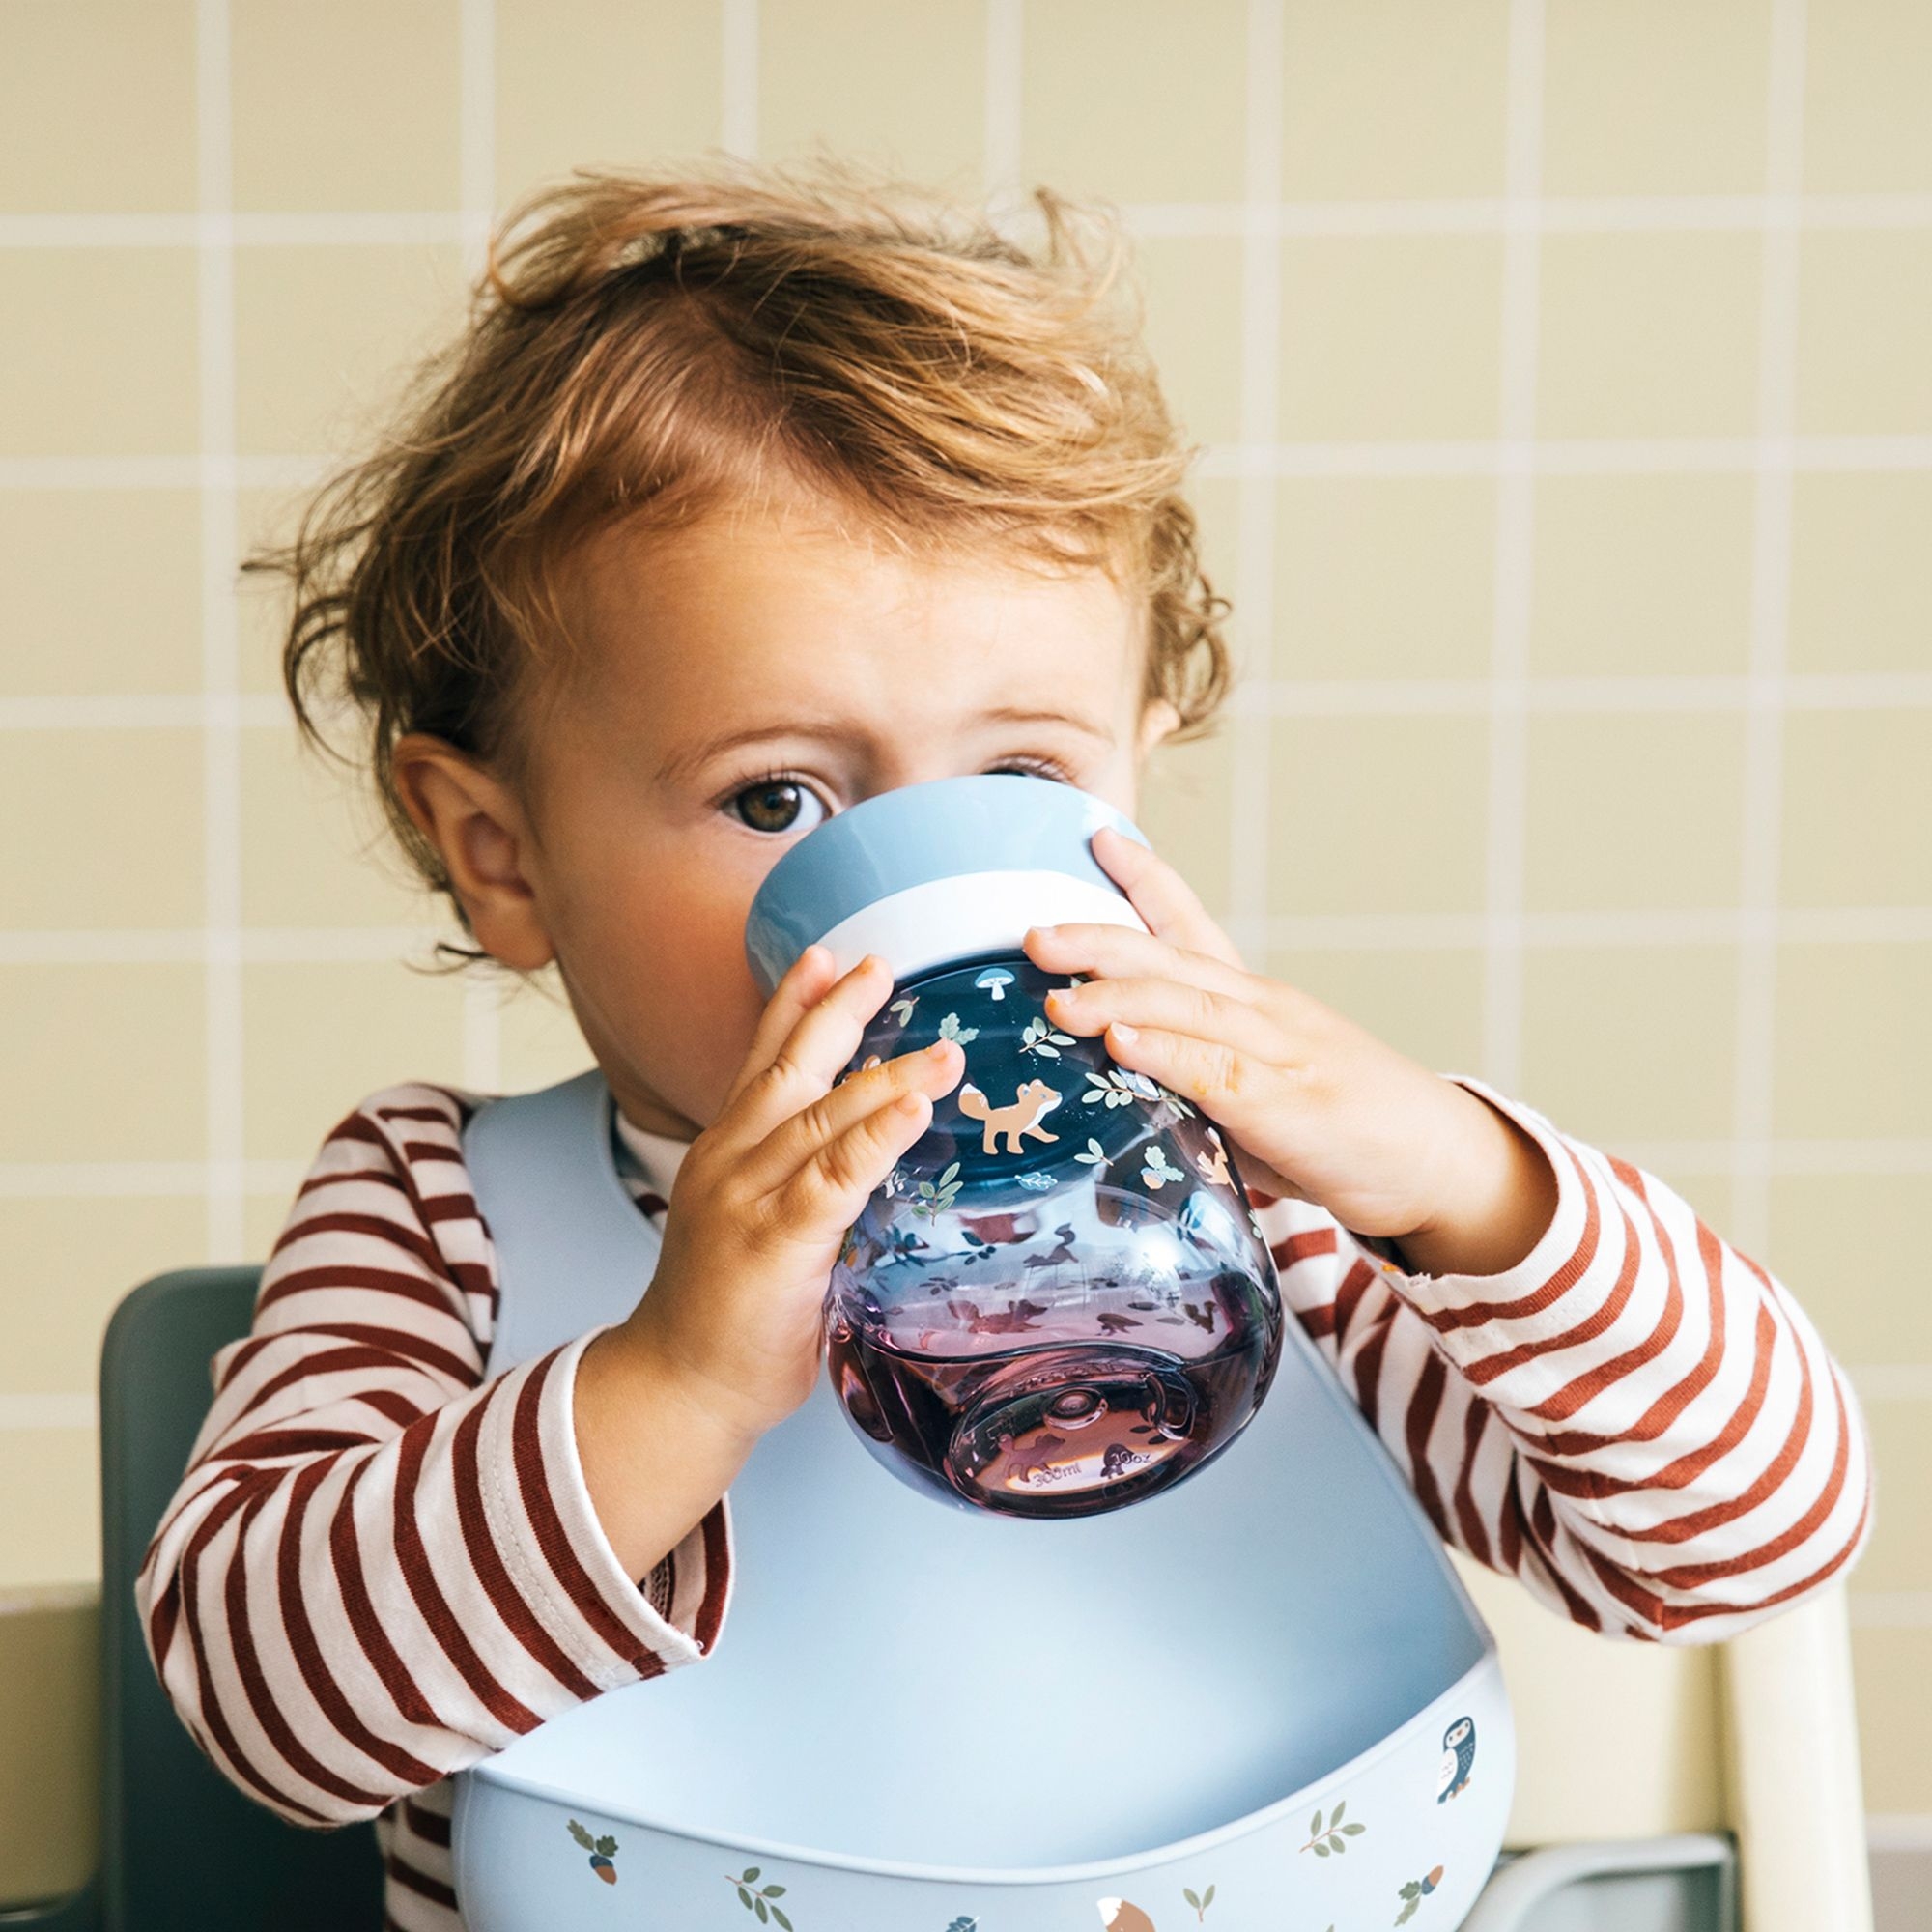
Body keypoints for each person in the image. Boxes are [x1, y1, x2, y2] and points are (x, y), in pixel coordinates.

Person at [136, 156, 1872, 1932]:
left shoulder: (1252, 1207)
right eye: (779, 794)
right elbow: (270, 1713)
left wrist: (1463, 1183)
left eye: (1022, 779)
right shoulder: (443, 1209)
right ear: (502, 855)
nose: (923, 889)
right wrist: (671, 1381)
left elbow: (1756, 1537)